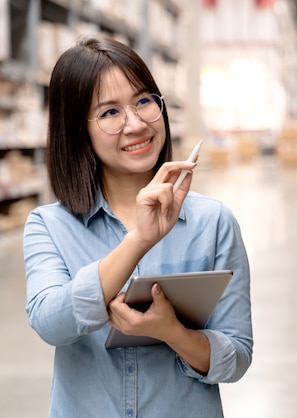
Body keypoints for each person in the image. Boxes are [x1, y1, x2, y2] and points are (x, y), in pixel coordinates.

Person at [23, 36, 253, 418]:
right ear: (78, 130)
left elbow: (237, 357)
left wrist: (173, 333)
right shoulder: (49, 226)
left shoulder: (213, 222)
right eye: (110, 112)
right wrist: (140, 240)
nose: (136, 124)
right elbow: (51, 323)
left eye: (144, 101)